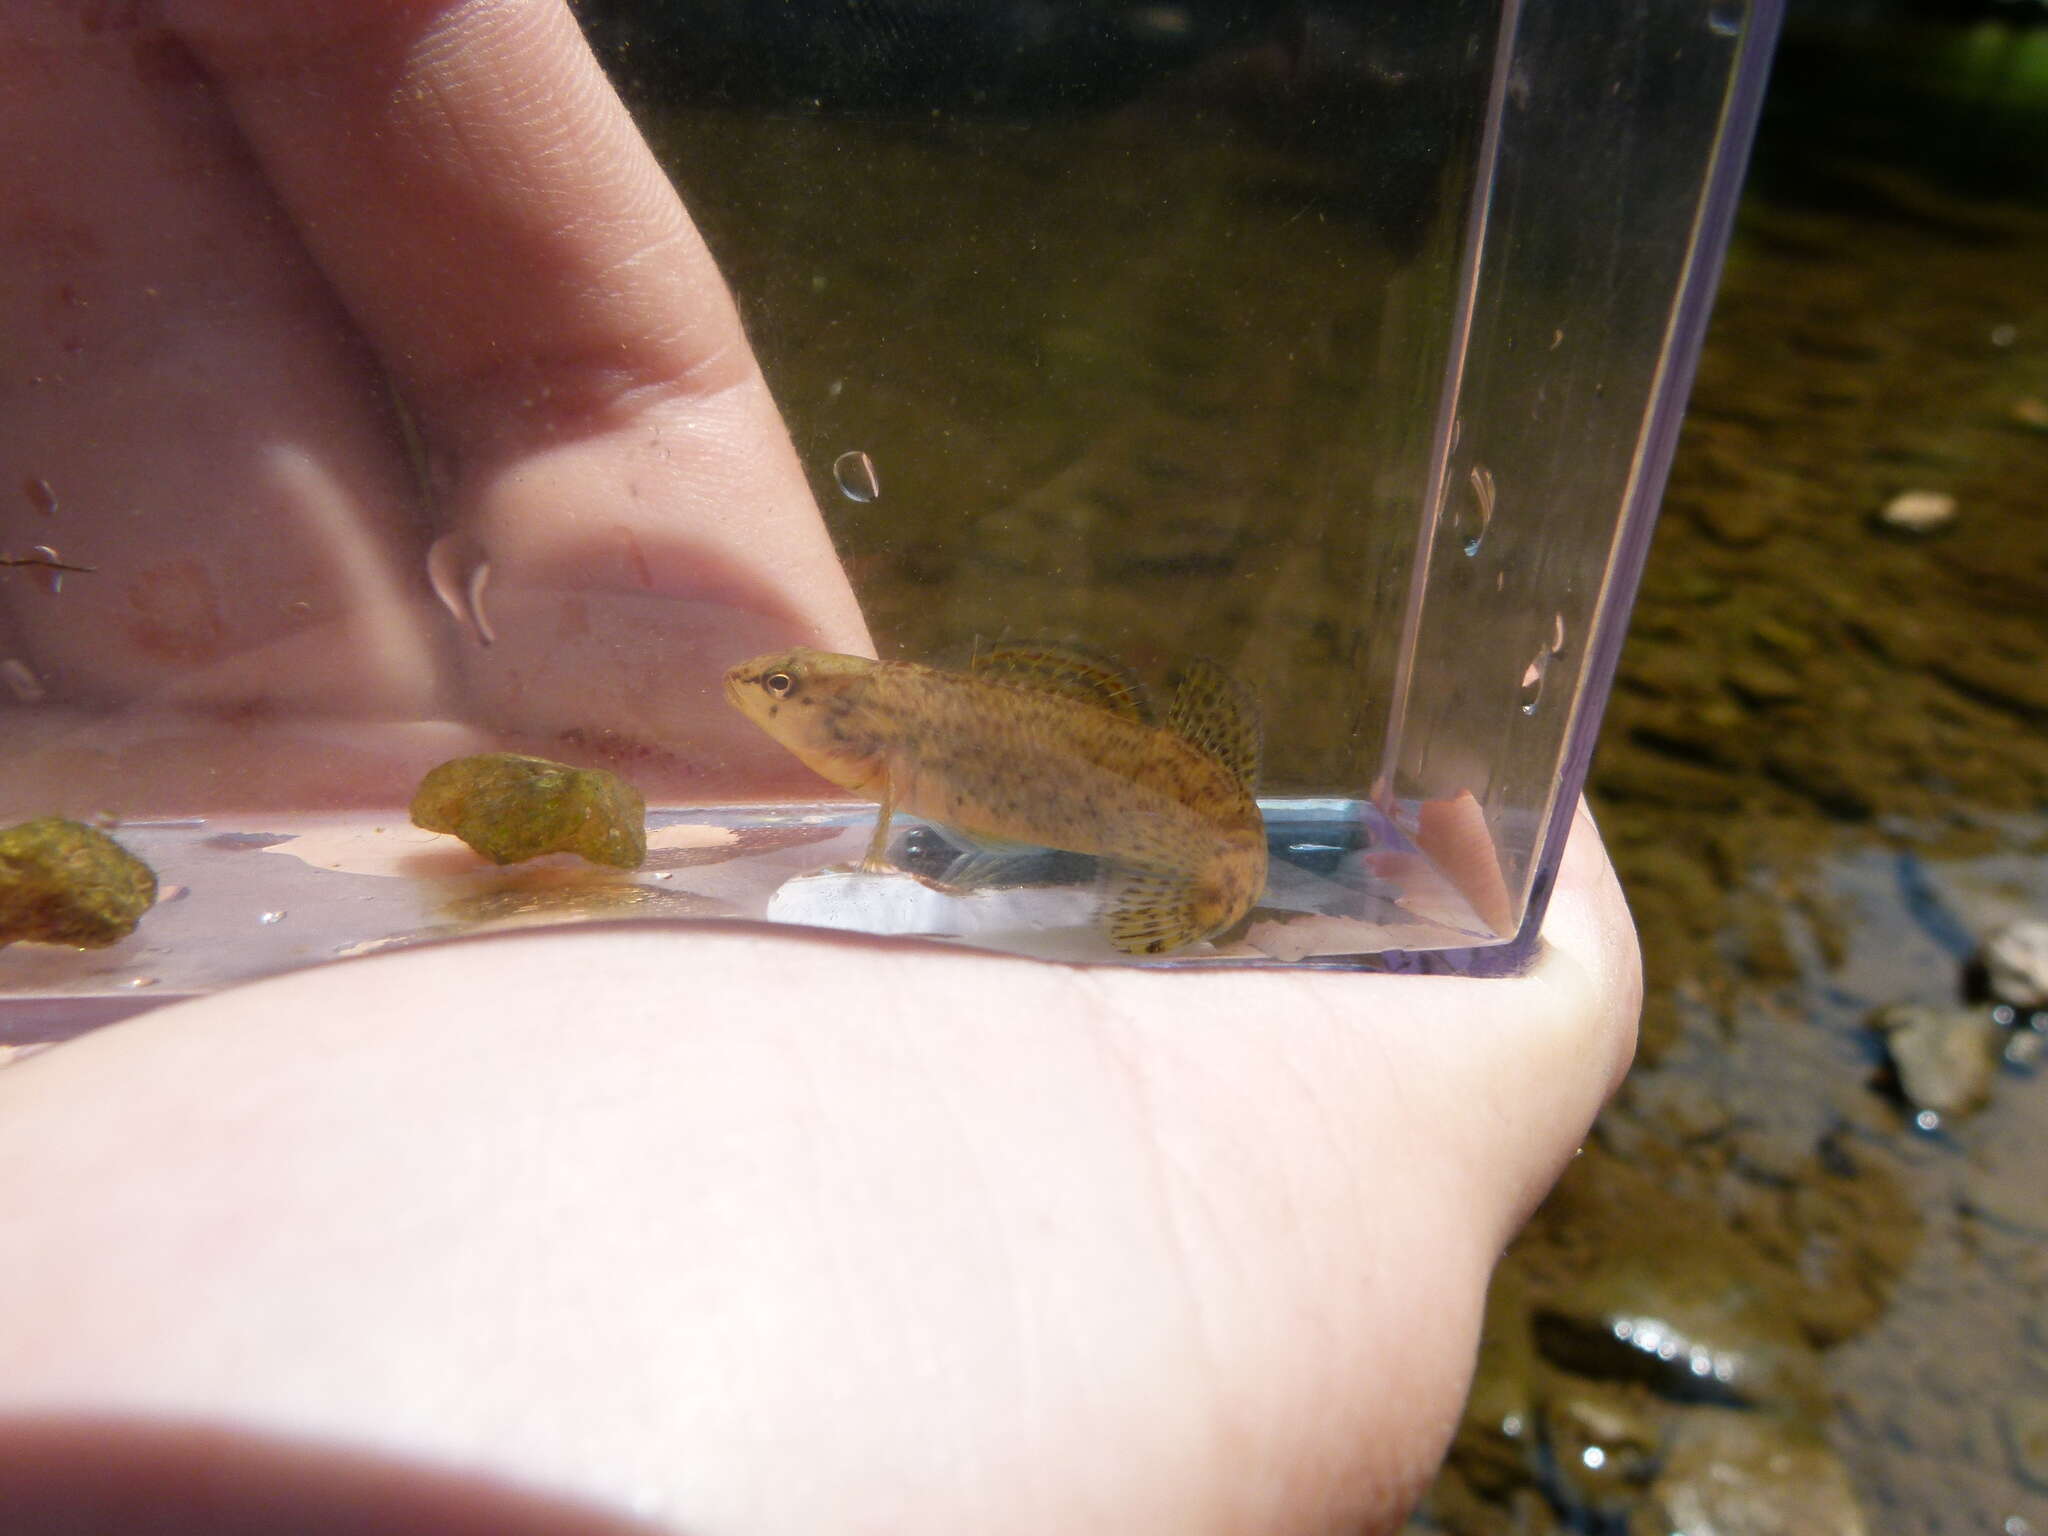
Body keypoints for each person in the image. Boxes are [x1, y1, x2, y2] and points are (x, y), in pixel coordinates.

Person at [0, 3, 1641, 1532]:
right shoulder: (887, 756)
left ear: (852, 734)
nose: (760, 697)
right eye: (794, 695)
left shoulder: (910, 760)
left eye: (794, 696)